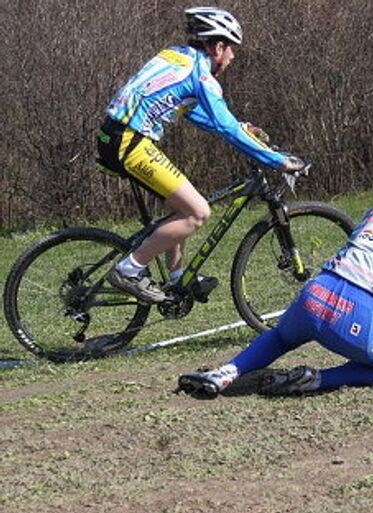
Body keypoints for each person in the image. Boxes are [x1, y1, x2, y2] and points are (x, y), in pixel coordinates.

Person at [177, 161, 373, 398]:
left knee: (281, 337)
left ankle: (225, 372)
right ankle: (316, 379)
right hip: (356, 317)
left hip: (313, 294)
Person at [97, 7, 305, 303]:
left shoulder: (176, 56)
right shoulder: (200, 73)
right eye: (231, 48)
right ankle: (129, 270)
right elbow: (224, 125)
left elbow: (194, 112)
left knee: (182, 205)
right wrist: (277, 160)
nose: (232, 57)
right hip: (129, 142)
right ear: (217, 46)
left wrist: (241, 128)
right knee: (198, 212)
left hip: (118, 136)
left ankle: (177, 277)